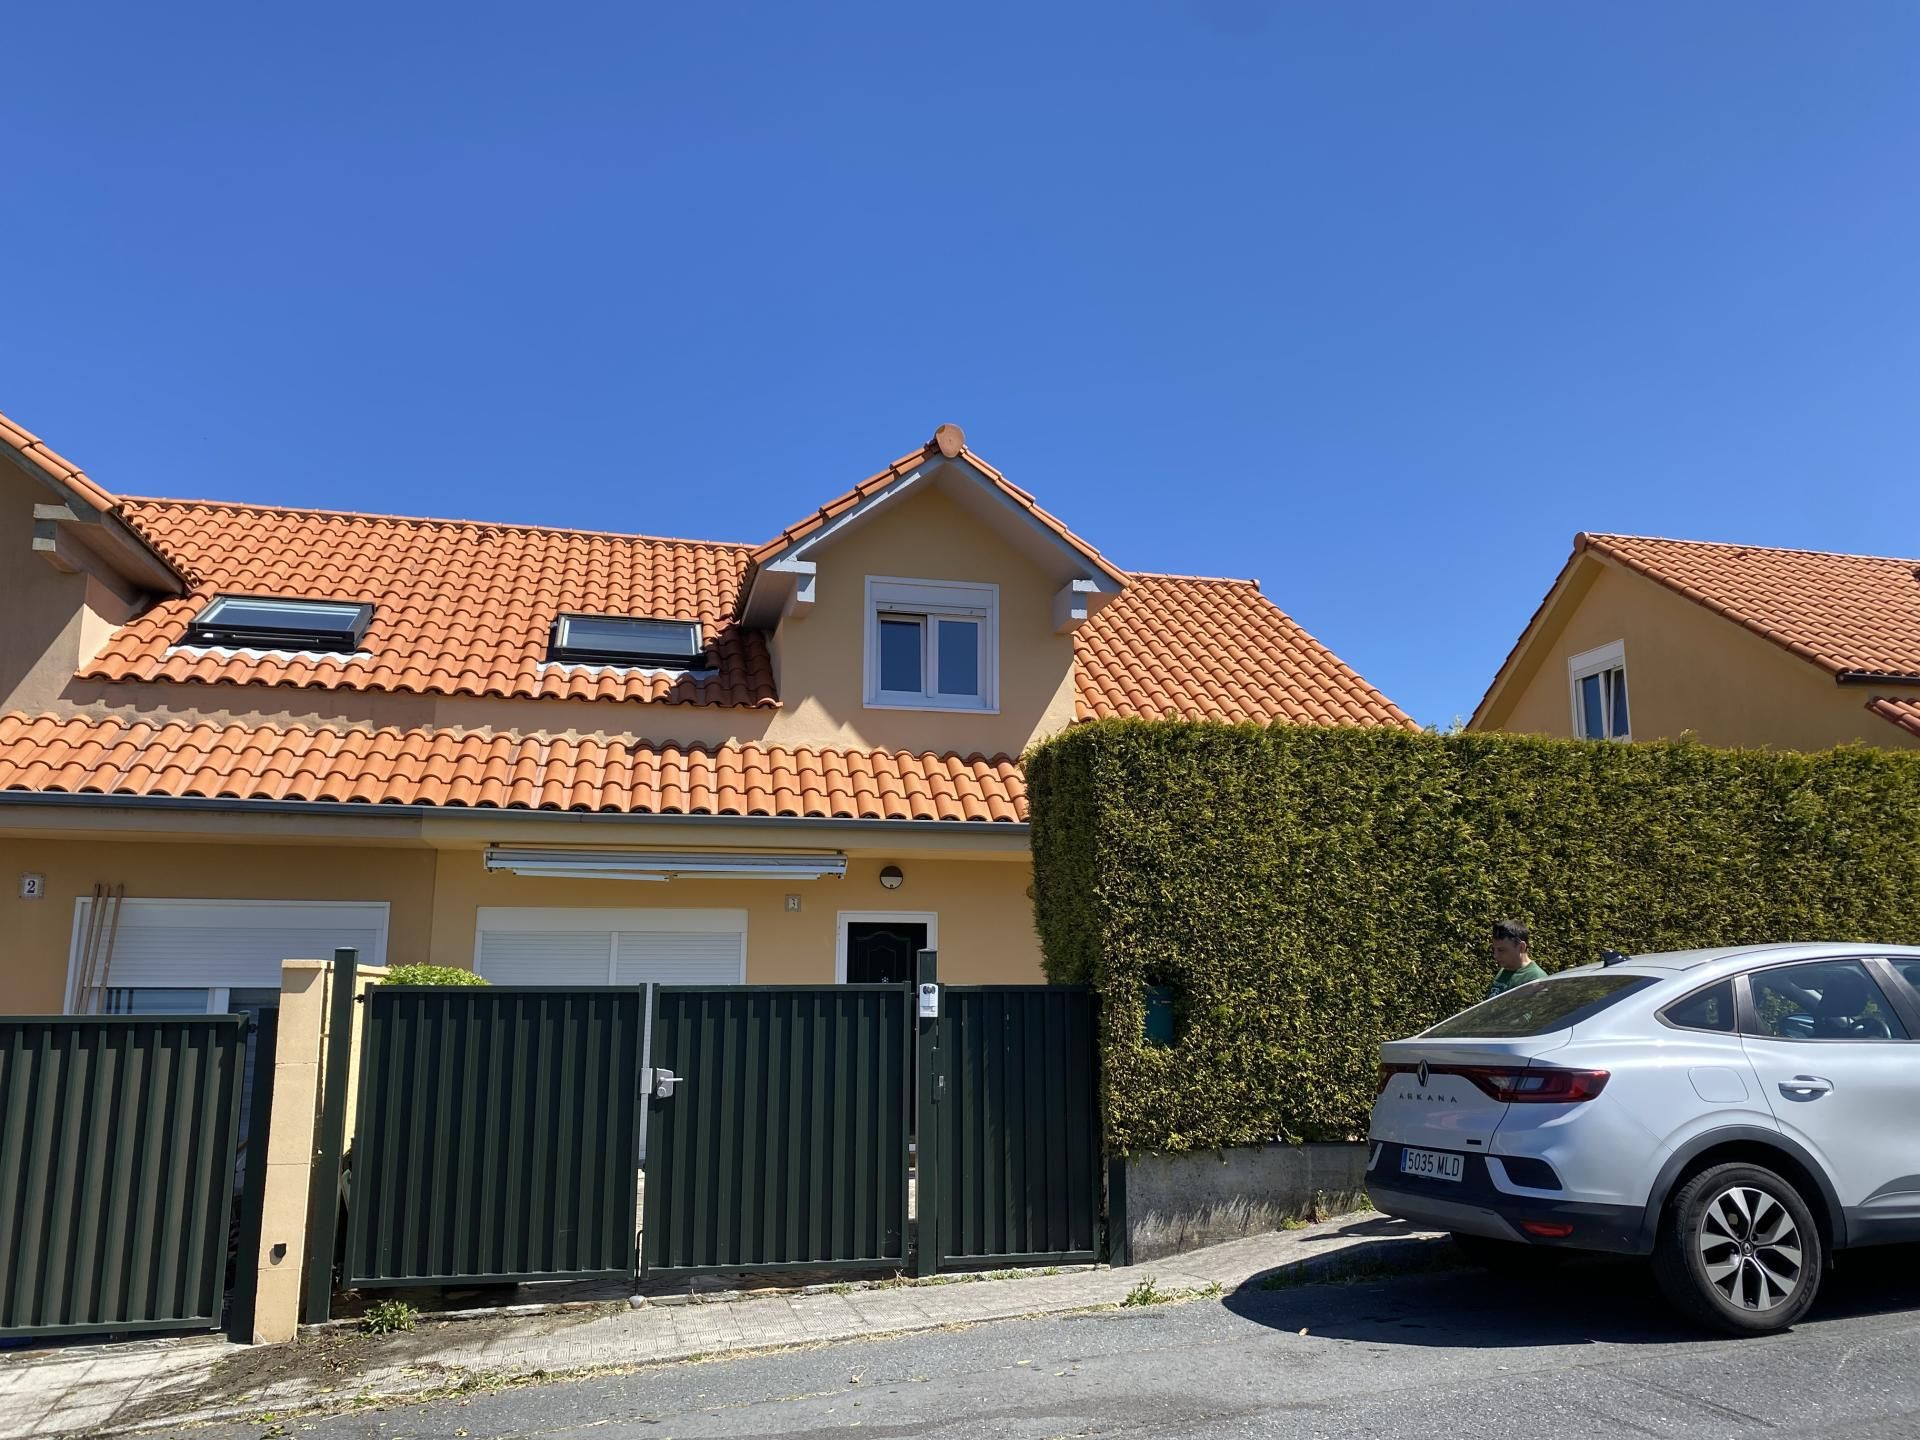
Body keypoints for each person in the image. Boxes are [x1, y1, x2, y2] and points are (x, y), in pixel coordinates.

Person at [1486, 919, 1547, 998]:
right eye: (1494, 949)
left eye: (1501, 950)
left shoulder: (1536, 979)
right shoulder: (1505, 970)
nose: (1495, 955)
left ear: (1521, 947)